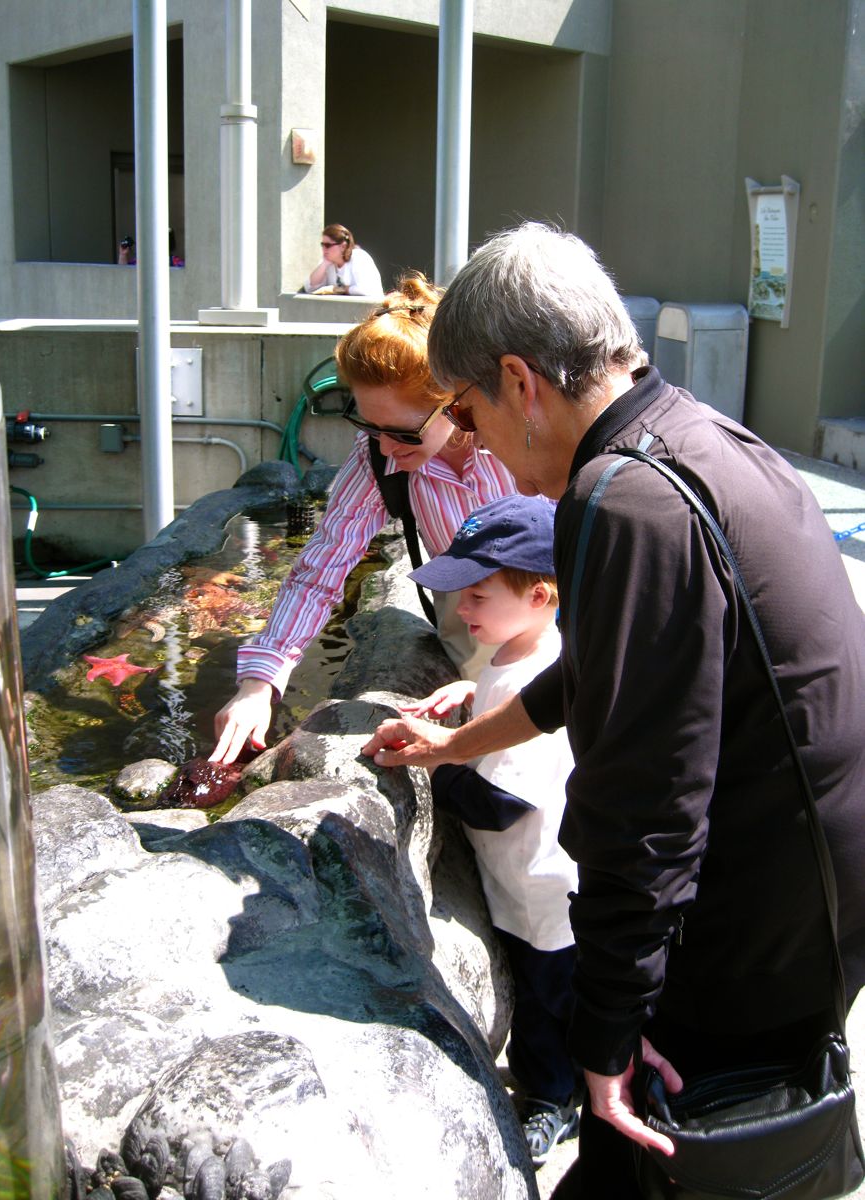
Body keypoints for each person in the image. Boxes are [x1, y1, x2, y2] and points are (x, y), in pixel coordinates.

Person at [361, 223, 865, 1197]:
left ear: (519, 381)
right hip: (822, 900)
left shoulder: (618, 498)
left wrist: (608, 1028)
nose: (471, 446)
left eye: (464, 412)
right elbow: (591, 680)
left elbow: (646, 801)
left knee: (642, 1165)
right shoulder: (698, 438)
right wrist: (454, 742)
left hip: (753, 931)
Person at [209, 272, 520, 766]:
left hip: (559, 603)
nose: (387, 448)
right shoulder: (379, 456)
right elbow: (322, 568)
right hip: (468, 607)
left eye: (403, 433)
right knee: (483, 750)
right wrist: (258, 683)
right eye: (369, 426)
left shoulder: (520, 438)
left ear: (456, 402)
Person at [402, 494, 581, 1167]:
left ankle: (549, 1101)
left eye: (477, 596)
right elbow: (499, 715)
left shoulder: (531, 676)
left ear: (539, 596)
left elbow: (499, 800)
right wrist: (469, 702)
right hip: (528, 881)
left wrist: (430, 767)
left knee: (546, 1004)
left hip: (545, 892)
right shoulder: (527, 654)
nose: (463, 612)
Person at [303, 224, 383, 296]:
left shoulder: (359, 257)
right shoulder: (329, 262)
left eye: (327, 245)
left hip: (368, 310)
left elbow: (368, 289)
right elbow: (310, 288)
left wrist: (343, 290)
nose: (324, 249)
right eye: (322, 245)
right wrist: (324, 264)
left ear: (343, 246)